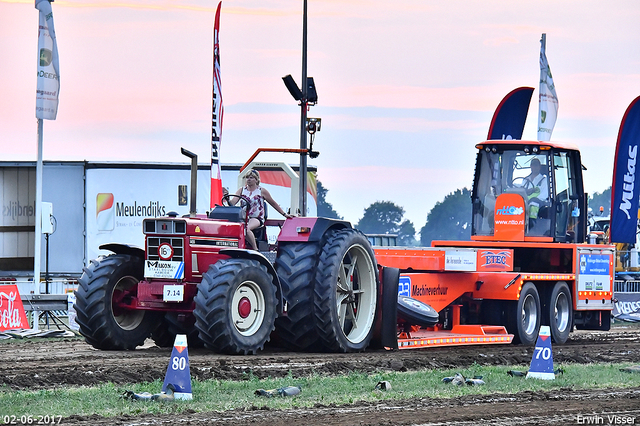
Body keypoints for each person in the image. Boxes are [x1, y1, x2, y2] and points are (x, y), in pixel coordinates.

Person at [231, 169, 293, 250]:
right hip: (243, 217)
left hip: (256, 218)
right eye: (247, 178)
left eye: (251, 178)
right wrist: (226, 199)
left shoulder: (261, 191)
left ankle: (255, 249)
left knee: (246, 228)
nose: (248, 179)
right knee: (235, 227)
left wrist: (284, 214)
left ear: (256, 180)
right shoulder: (242, 190)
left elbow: (273, 203)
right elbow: (232, 203)